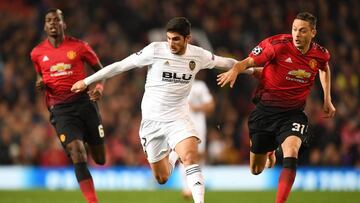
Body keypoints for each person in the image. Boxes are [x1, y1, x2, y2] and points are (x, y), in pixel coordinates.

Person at [71, 17, 250, 203]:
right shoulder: (155, 50)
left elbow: (226, 62)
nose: (171, 43)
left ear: (187, 38)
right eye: (169, 38)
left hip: (179, 118)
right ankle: (172, 155)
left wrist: (251, 69)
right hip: (152, 122)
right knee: (162, 178)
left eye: (176, 39)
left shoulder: (198, 55)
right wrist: (87, 81)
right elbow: (121, 66)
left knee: (190, 157)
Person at [217, 12, 336, 203]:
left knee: (291, 152)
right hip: (264, 113)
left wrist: (327, 99)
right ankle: (270, 149)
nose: (297, 34)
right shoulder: (276, 45)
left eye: (303, 31)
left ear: (313, 32)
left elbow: (324, 67)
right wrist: (235, 70)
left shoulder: (320, 54)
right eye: (294, 29)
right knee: (256, 170)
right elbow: (247, 61)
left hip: (293, 114)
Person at [30, 8, 106, 203]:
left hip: (85, 104)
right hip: (60, 109)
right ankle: (92, 201)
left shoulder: (80, 47)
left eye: (57, 20)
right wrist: (40, 81)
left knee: (99, 159)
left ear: (64, 24)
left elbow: (101, 71)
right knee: (77, 152)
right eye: (49, 20)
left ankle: (86, 140)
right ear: (45, 25)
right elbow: (40, 73)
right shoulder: (37, 53)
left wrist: (98, 87)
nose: (53, 23)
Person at [180, 79, 215, 199]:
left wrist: (196, 107)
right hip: (182, 124)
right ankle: (186, 187)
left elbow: (210, 105)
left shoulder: (200, 86)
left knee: (198, 155)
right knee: (183, 154)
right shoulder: (178, 83)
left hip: (198, 125)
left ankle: (197, 185)